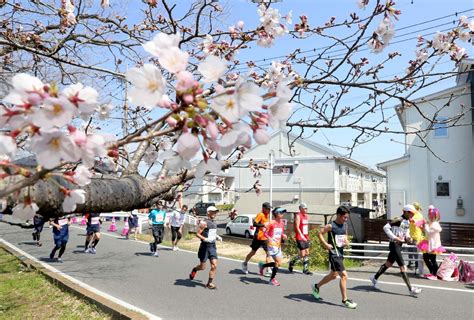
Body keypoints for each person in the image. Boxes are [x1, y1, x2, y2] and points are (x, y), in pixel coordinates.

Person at [369, 204, 422, 296]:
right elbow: (385, 227)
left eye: (413, 213)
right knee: (403, 267)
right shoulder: (398, 219)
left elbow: (406, 232)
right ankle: (411, 289)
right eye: (411, 213)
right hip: (394, 245)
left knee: (388, 264)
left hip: (399, 245)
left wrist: (408, 238)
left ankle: (374, 277)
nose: (412, 214)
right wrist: (395, 238)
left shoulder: (407, 221)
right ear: (405, 212)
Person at [311, 206, 357, 309]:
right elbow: (320, 233)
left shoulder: (345, 225)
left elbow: (344, 235)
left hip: (340, 253)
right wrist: (326, 244)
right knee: (344, 276)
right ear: (339, 215)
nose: (346, 219)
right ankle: (345, 300)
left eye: (347, 217)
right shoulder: (331, 226)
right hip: (334, 254)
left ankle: (316, 286)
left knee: (333, 275)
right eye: (344, 217)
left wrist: (346, 241)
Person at [189, 206, 222, 289]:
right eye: (213, 211)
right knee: (203, 267)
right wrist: (205, 239)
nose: (215, 213)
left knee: (214, 265)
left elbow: (212, 233)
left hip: (212, 246)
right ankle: (195, 269)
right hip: (204, 247)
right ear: (208, 212)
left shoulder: (214, 222)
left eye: (215, 212)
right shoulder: (204, 223)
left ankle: (209, 283)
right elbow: (197, 234)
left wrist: (217, 236)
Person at [258, 207, 287, 286]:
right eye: (281, 213)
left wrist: (283, 235)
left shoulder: (282, 223)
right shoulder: (271, 223)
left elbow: (280, 233)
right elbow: (264, 232)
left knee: (279, 263)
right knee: (277, 262)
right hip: (272, 245)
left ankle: (263, 266)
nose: (282, 214)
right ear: (276, 214)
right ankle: (272, 279)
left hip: (278, 245)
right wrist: (269, 238)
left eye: (283, 213)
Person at [241, 202, 272, 275]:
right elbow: (254, 224)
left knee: (268, 252)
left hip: (265, 237)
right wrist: (263, 225)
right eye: (267, 208)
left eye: (269, 209)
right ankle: (245, 263)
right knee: (253, 252)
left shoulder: (267, 215)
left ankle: (268, 269)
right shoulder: (260, 214)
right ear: (263, 208)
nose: (269, 210)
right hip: (258, 236)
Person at [417, 206, 445, 279]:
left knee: (432, 259)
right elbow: (427, 232)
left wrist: (425, 225)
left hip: (433, 244)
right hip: (429, 243)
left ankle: (434, 273)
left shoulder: (435, 224)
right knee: (426, 258)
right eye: (430, 215)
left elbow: (429, 232)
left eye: (432, 216)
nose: (431, 217)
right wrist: (422, 226)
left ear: (435, 216)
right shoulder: (431, 223)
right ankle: (433, 272)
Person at [288, 203, 312, 275]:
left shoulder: (306, 216)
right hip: (300, 237)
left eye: (306, 208)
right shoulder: (298, 216)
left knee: (307, 252)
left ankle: (305, 269)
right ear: (300, 209)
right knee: (302, 254)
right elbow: (297, 227)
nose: (306, 210)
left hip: (306, 236)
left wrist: (307, 236)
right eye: (304, 208)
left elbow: (306, 227)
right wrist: (302, 236)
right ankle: (292, 262)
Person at [407, 202, 424, 275]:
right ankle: (410, 263)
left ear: (416, 208)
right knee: (410, 250)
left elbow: (414, 222)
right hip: (411, 235)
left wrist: (411, 219)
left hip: (416, 236)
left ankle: (416, 266)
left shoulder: (419, 215)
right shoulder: (413, 214)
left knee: (415, 252)